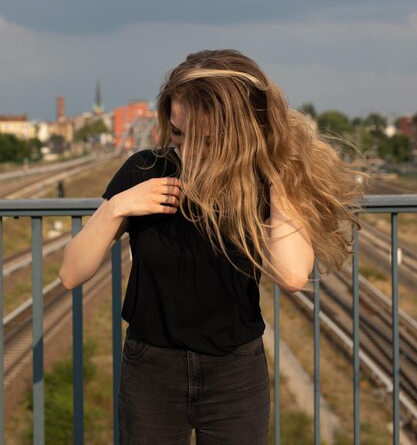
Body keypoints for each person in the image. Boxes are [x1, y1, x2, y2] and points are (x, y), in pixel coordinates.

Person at [59, 49, 363, 445]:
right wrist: (118, 207)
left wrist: (279, 176)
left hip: (234, 376)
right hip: (151, 372)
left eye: (207, 140)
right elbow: (70, 274)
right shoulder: (145, 170)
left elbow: (291, 275)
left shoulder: (264, 182)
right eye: (178, 133)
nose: (186, 151)